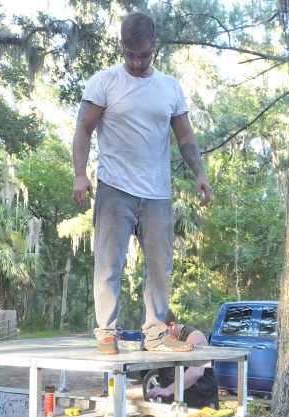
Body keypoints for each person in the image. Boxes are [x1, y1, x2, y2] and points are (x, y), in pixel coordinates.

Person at [71, 12, 212, 355]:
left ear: (155, 48)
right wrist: (79, 173)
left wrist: (200, 173)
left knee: (161, 266)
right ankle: (107, 332)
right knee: (109, 262)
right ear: (121, 47)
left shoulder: (169, 87)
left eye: (143, 55)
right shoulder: (104, 83)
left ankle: (156, 334)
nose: (135, 62)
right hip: (114, 188)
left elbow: (185, 136)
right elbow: (83, 129)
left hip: (157, 193)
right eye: (129, 54)